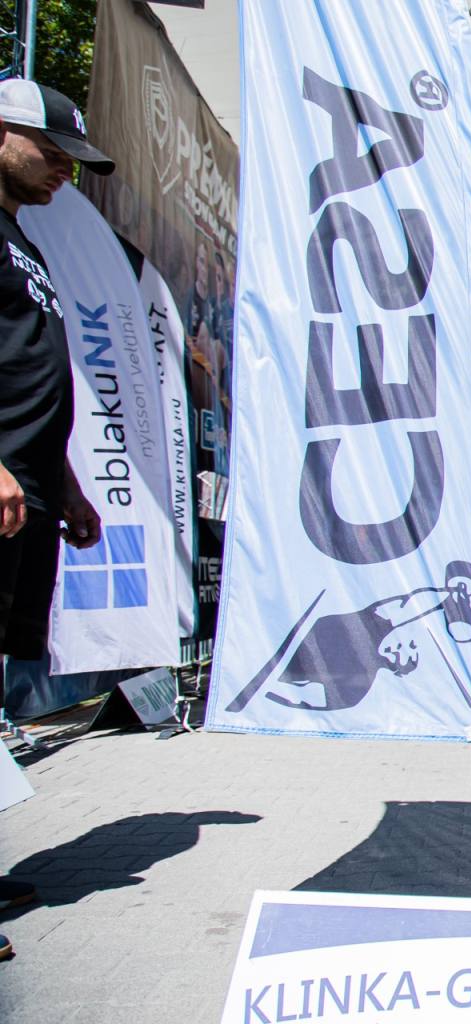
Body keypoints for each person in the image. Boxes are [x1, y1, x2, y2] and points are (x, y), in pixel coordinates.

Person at [0, 78, 114, 961]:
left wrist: (65, 485)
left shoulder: (20, 237)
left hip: (29, 498)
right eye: (51, 153)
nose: (64, 173)